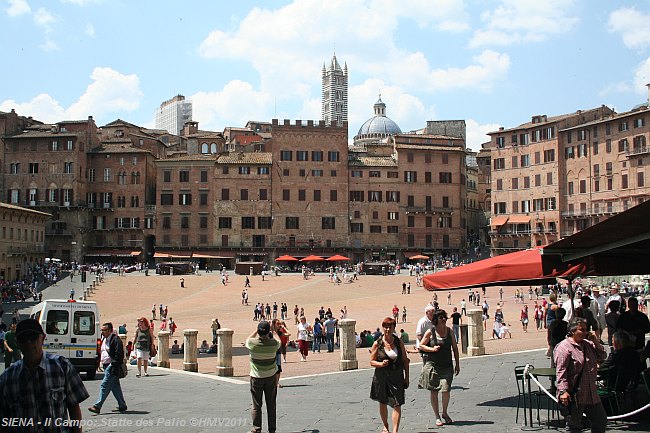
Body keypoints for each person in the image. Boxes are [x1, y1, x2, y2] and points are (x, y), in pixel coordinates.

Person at [0, 319, 89, 432]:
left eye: (33, 337)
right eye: (23, 339)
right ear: (17, 343)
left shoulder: (62, 367)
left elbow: (74, 407)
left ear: (42, 338)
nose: (29, 343)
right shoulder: (8, 378)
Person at [554, 317, 607, 433]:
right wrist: (563, 391)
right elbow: (561, 371)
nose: (585, 332)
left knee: (600, 420)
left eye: (586, 329)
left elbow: (602, 356)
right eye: (581, 329)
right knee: (575, 427)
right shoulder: (564, 348)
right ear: (572, 331)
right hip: (575, 395)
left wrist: (595, 341)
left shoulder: (588, 344)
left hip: (591, 392)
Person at [418, 309, 460, 427]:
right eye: (441, 317)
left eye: (444, 317)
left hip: (447, 365)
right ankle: (437, 416)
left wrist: (457, 363)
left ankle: (445, 413)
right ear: (436, 320)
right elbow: (421, 345)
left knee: (446, 390)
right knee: (434, 391)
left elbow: (455, 348)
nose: (443, 319)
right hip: (433, 365)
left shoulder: (449, 331)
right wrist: (431, 349)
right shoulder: (430, 332)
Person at [370, 317, 409, 433]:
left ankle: (395, 430)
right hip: (381, 376)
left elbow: (405, 360)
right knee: (383, 401)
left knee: (397, 402)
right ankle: (386, 426)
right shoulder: (378, 343)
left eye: (390, 327)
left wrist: (407, 377)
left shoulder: (398, 342)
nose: (387, 329)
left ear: (393, 328)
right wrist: (381, 364)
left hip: (396, 376)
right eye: (385, 327)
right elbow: (372, 361)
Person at [245, 321, 280, 433]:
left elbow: (248, 338)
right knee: (271, 404)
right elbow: (278, 340)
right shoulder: (273, 344)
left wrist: (257, 330)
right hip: (270, 376)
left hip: (256, 377)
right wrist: (273, 330)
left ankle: (257, 428)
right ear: (268, 332)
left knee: (256, 404)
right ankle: (272, 429)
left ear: (259, 331)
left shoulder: (252, 343)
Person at [88, 322, 127, 414]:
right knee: (115, 387)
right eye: (102, 330)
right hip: (105, 365)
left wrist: (112, 365)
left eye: (105, 330)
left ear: (110, 330)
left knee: (104, 385)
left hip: (112, 367)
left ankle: (97, 406)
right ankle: (122, 405)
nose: (103, 332)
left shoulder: (115, 340)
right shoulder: (103, 339)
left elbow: (119, 354)